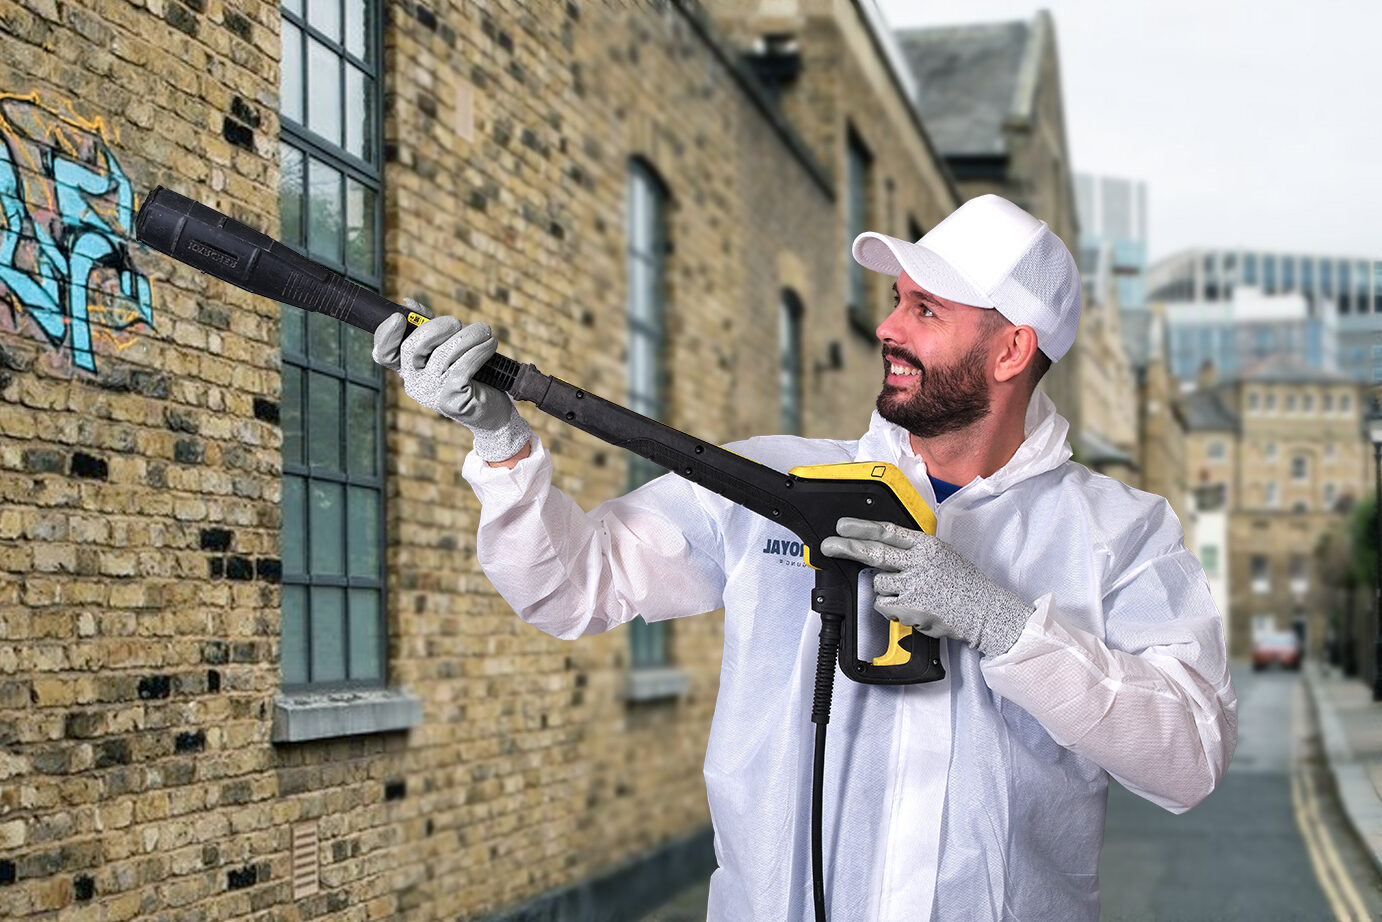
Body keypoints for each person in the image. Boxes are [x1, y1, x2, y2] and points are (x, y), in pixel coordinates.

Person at [372, 194, 1237, 922]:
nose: (888, 327)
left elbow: (1190, 757)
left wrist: (1003, 626)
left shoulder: (1119, 533)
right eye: (897, 299)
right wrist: (501, 445)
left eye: (925, 310)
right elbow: (573, 587)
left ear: (1012, 349)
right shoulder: (772, 483)